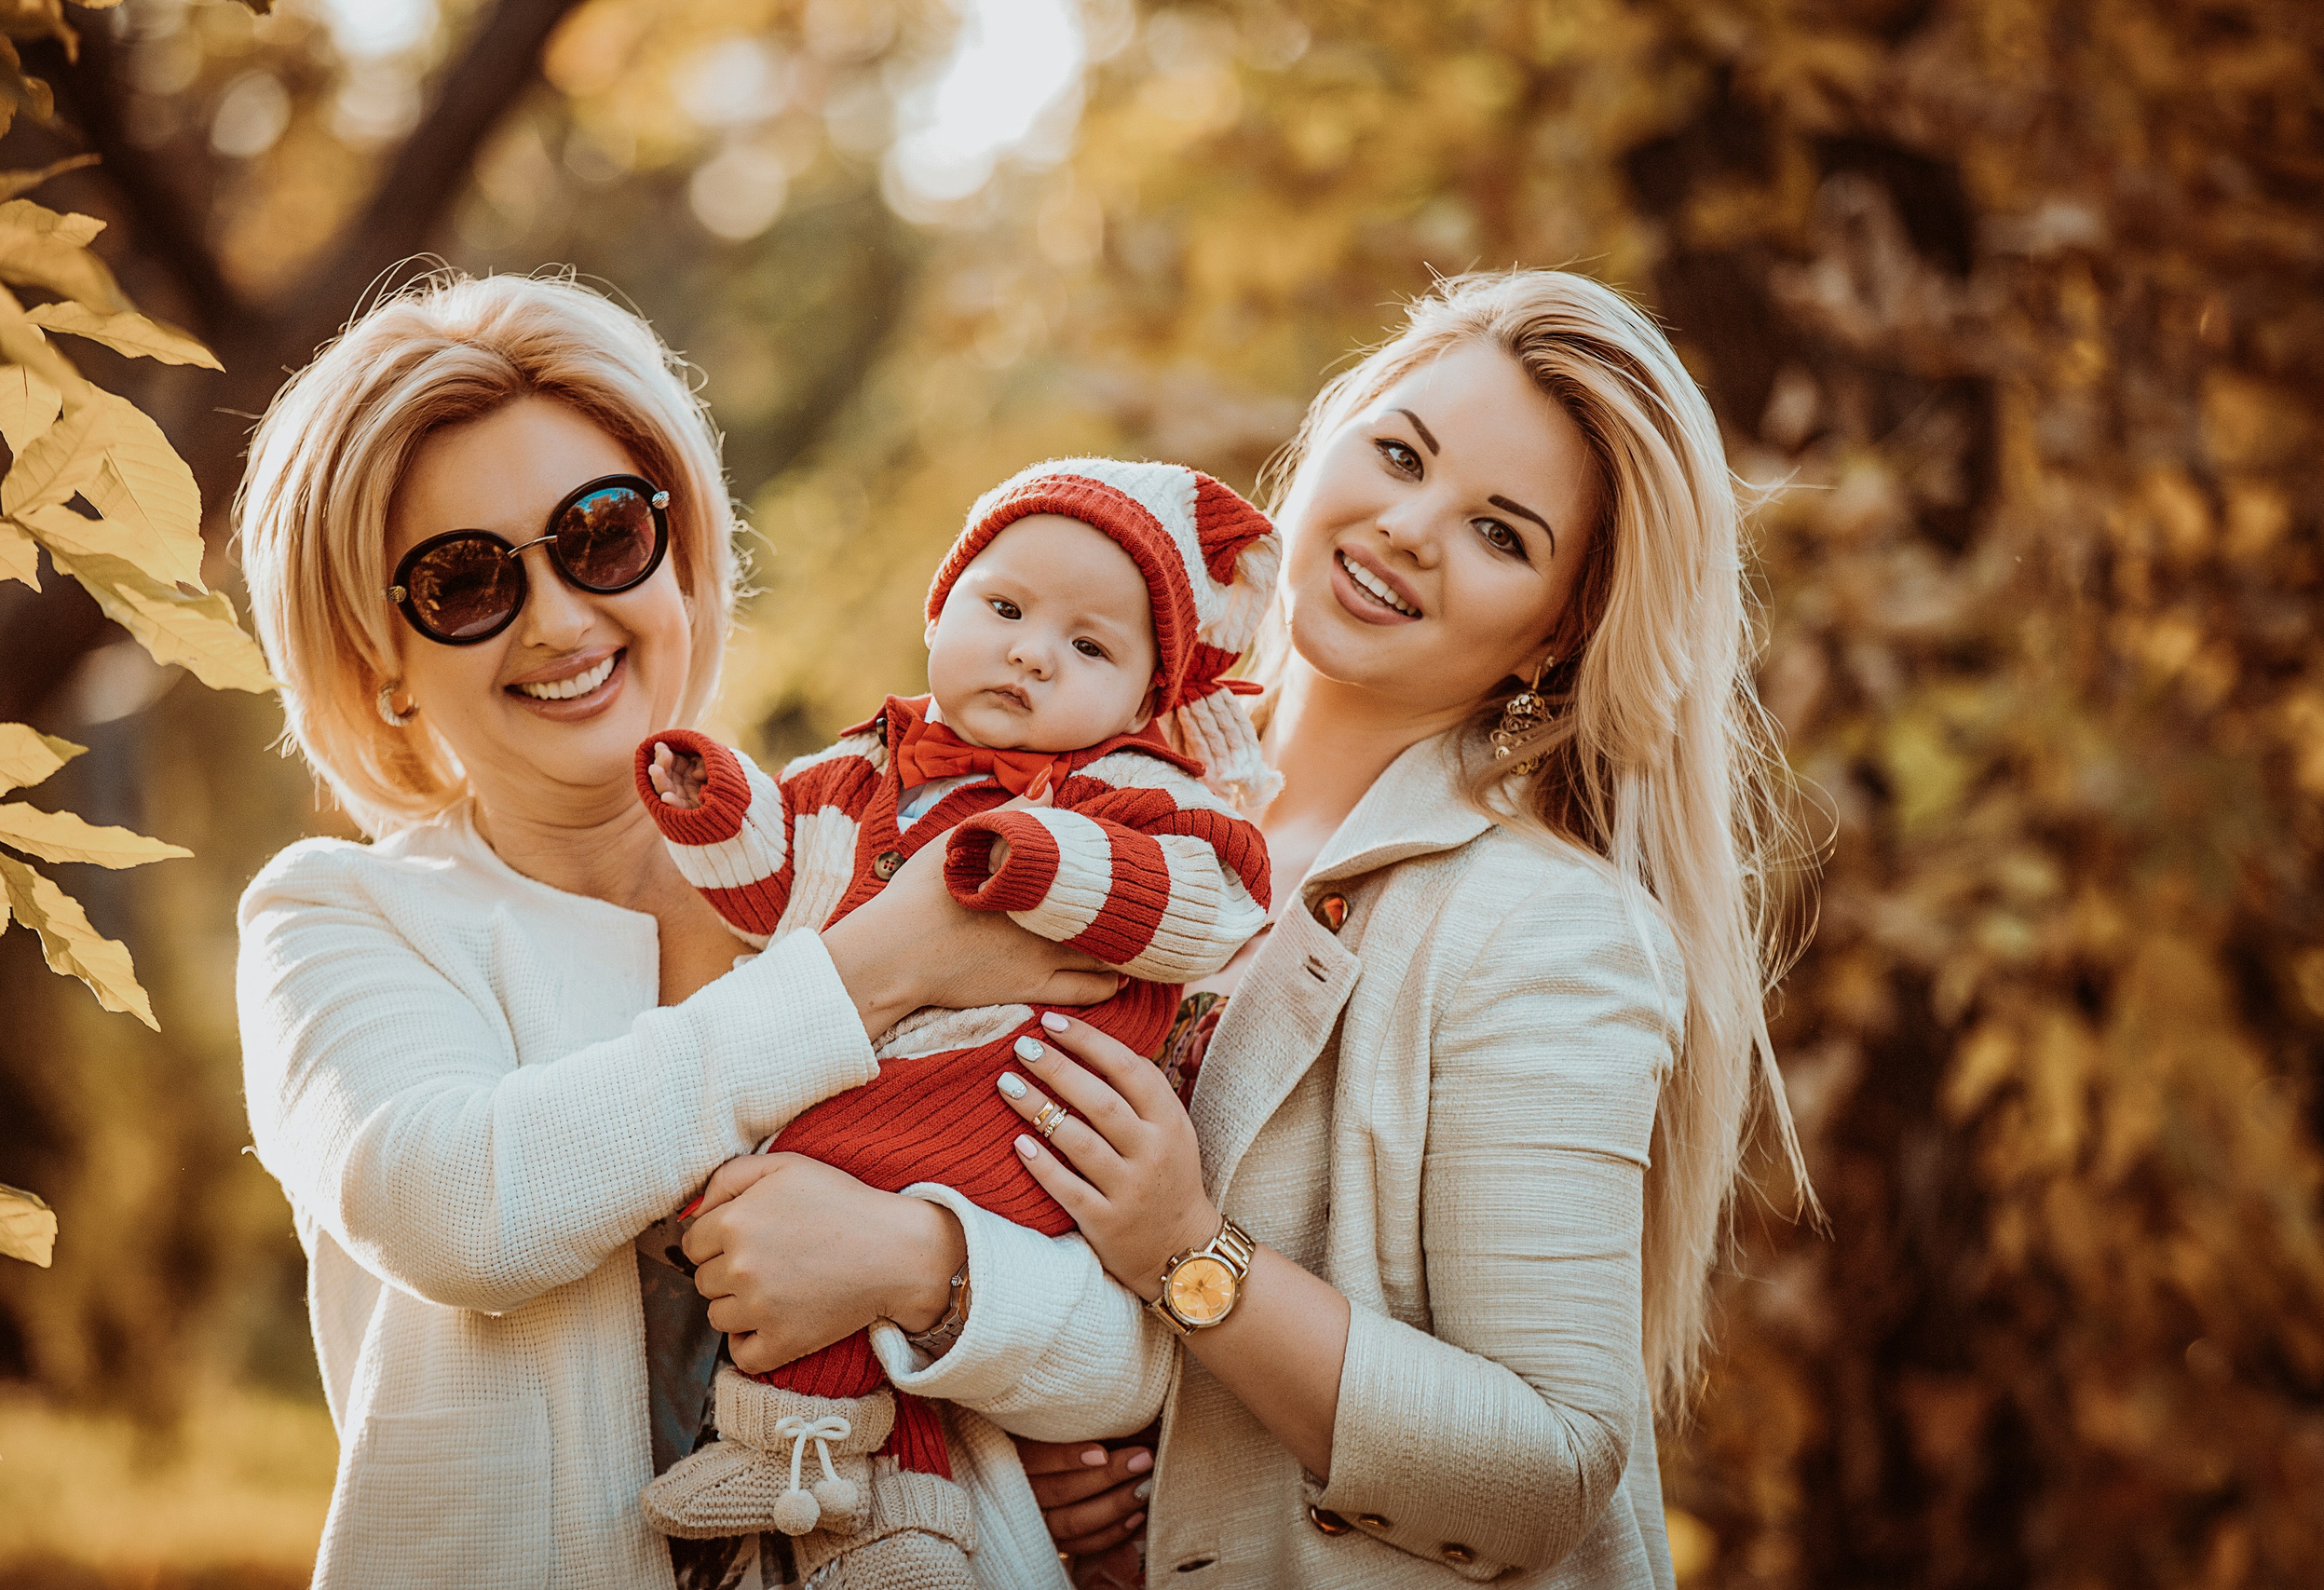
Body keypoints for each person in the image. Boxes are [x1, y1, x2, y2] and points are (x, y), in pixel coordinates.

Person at [684, 267, 1810, 1589]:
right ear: (1328, 439)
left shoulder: (1549, 931)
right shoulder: (1064, 758)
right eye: (1399, 453)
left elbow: (1545, 1468)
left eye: (1501, 533)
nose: (1407, 526)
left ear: (1554, 636)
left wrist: (1182, 1253)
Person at [230, 271, 1120, 1590]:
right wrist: (884, 967)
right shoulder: (339, 916)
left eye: (598, 536)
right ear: (380, 662)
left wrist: (921, 1268)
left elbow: (1129, 1336)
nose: (559, 618)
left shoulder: (863, 851)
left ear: (681, 551)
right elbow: (459, 1211)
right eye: (465, 580)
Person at [630, 461, 1279, 1587]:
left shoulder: (1134, 790)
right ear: (944, 607)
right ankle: (852, 1496)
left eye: (1090, 647)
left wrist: (1042, 861)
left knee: (808, 1178)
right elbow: (778, 887)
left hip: (1013, 1103)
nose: (1032, 652)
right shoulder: (858, 765)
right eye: (1006, 609)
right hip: (880, 1085)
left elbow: (1214, 900)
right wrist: (717, 805)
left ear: (1139, 705)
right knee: (774, 1186)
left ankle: (852, 1494)